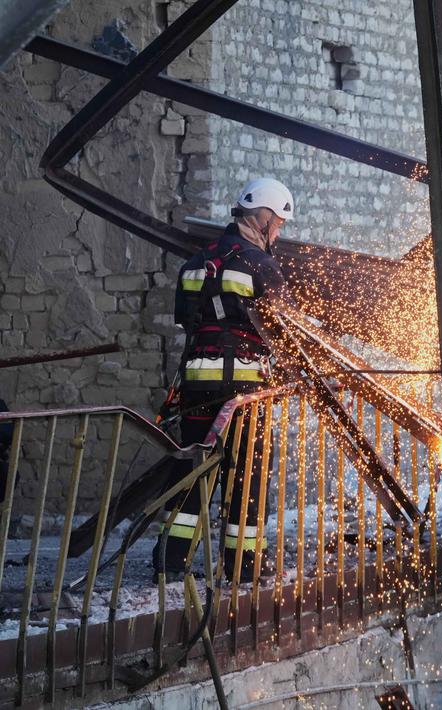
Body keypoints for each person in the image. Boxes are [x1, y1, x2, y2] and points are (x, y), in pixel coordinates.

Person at [155, 177, 293, 582]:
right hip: (245, 394)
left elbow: (189, 322)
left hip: (196, 390)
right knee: (246, 478)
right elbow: (283, 331)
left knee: (192, 474)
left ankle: (169, 565)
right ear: (264, 219)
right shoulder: (261, 265)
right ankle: (243, 568)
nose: (280, 233)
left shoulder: (196, 263)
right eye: (280, 224)